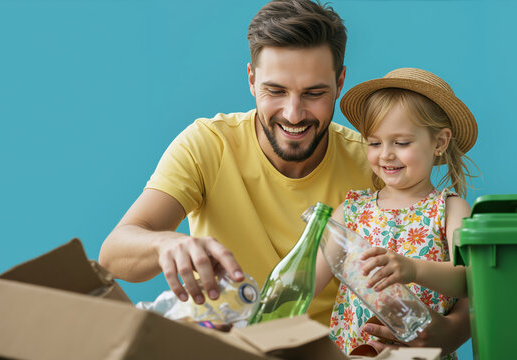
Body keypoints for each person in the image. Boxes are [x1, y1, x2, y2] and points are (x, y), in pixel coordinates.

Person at [99, 0, 470, 354]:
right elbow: (113, 255)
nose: (293, 114)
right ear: (250, 79)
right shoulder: (208, 145)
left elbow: (465, 280)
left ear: (340, 83)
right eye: (275, 91)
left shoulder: (373, 162)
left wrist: (453, 330)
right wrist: (166, 245)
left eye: (313, 93)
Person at [314, 67, 478, 358]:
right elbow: (308, 282)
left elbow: (469, 280)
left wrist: (413, 270)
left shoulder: (450, 210)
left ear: (439, 143)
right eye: (375, 142)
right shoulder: (351, 211)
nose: (386, 154)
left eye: (401, 143)